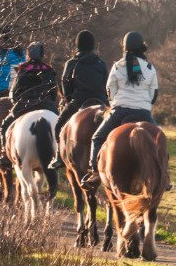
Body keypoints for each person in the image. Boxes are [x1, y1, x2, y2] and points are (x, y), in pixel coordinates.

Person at [81, 31, 159, 188]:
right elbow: (153, 94)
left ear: (125, 48)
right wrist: (144, 104)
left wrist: (115, 102)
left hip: (120, 111)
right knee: (159, 141)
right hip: (143, 112)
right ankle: (162, 175)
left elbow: (110, 90)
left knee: (97, 138)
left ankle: (95, 173)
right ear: (142, 48)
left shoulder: (117, 66)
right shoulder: (150, 68)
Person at [46, 30, 109, 170]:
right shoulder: (101, 62)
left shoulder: (72, 63)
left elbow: (64, 83)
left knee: (58, 125)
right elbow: (107, 82)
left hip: (79, 102)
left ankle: (58, 156)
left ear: (77, 45)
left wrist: (69, 99)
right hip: (101, 101)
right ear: (93, 45)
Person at [0, 42, 59, 166]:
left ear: (28, 54)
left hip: (24, 105)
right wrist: (51, 103)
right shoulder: (49, 69)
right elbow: (54, 91)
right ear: (42, 54)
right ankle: (62, 153)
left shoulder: (22, 69)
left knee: (5, 125)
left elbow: (14, 93)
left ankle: (4, 153)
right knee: (61, 124)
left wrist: (16, 102)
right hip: (46, 105)